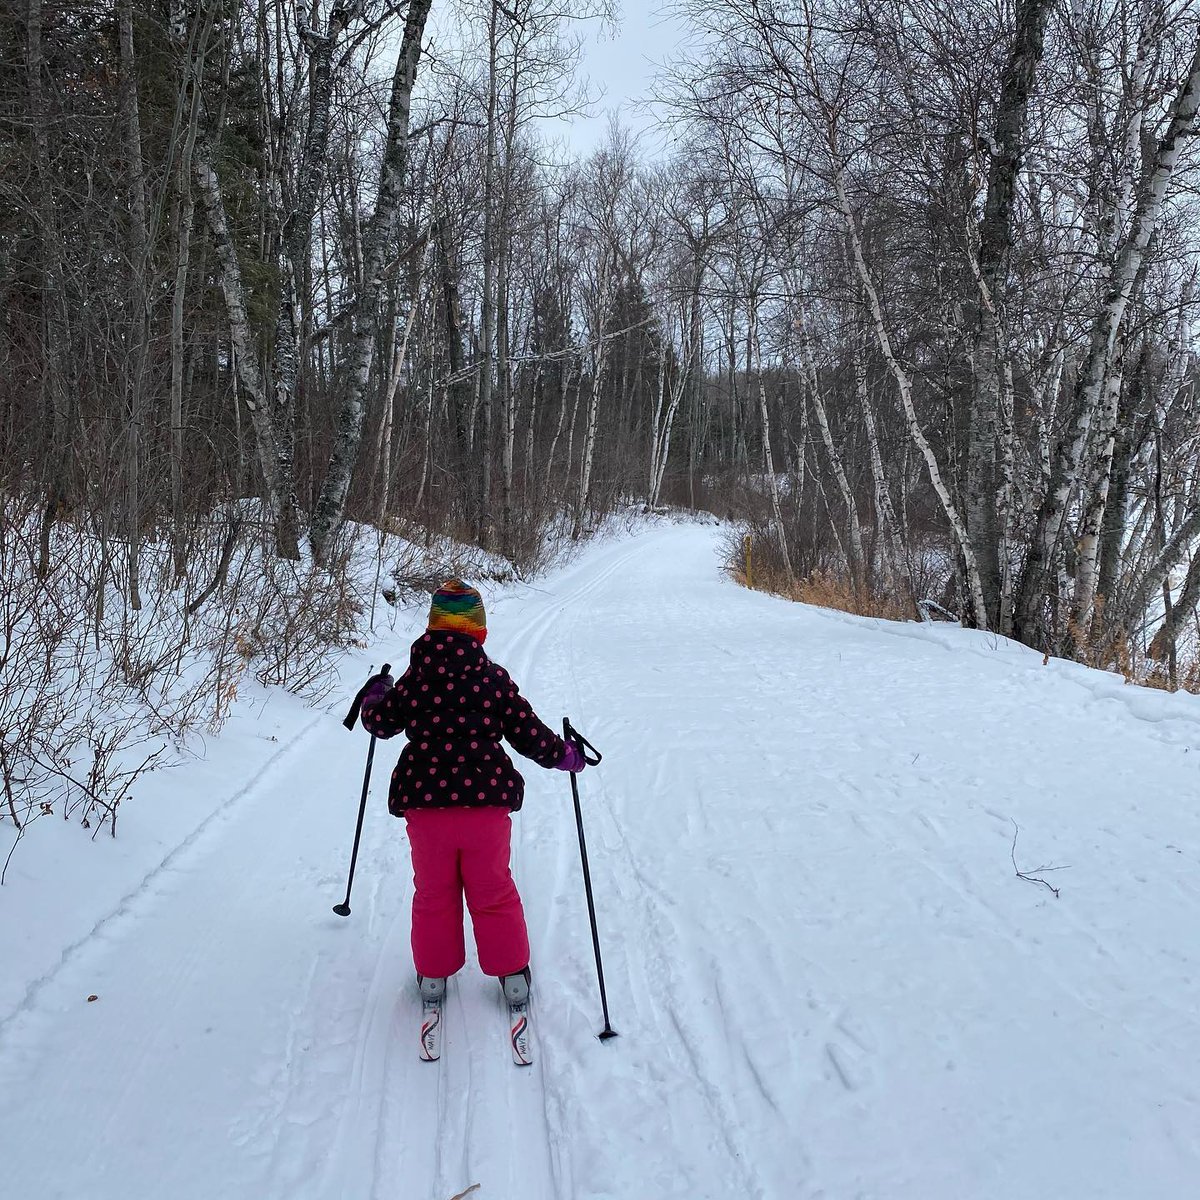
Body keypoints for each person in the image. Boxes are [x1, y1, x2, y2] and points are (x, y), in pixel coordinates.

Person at [358, 579, 586, 1006]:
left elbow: (380, 723)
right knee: (493, 890)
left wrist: (375, 695)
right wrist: (567, 756)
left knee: (434, 892)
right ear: (479, 632)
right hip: (485, 805)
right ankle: (513, 976)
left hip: (426, 806)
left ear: (431, 629)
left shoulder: (414, 680)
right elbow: (529, 734)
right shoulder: (493, 680)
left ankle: (433, 976)